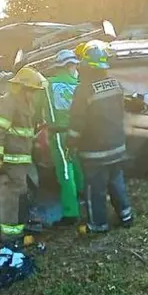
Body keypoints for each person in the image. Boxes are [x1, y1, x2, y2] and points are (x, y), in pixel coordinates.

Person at [68, 42, 134, 232]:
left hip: (94, 151)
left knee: (95, 189)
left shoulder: (84, 90)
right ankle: (125, 216)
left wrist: (70, 142)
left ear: (86, 67)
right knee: (116, 181)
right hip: (117, 146)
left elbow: (77, 123)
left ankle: (98, 224)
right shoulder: (115, 84)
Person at [0, 67, 47, 245]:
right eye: (31, 91)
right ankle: (11, 238)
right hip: (8, 160)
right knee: (11, 199)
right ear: (21, 88)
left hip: (20, 160)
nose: (33, 94)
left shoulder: (25, 104)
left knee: (3, 196)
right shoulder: (8, 103)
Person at [39, 50, 84, 222]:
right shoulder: (78, 85)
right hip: (77, 132)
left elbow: (37, 110)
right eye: (73, 65)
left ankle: (70, 212)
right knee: (78, 166)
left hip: (58, 135)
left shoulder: (47, 85)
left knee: (65, 171)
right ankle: (82, 196)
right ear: (69, 66)